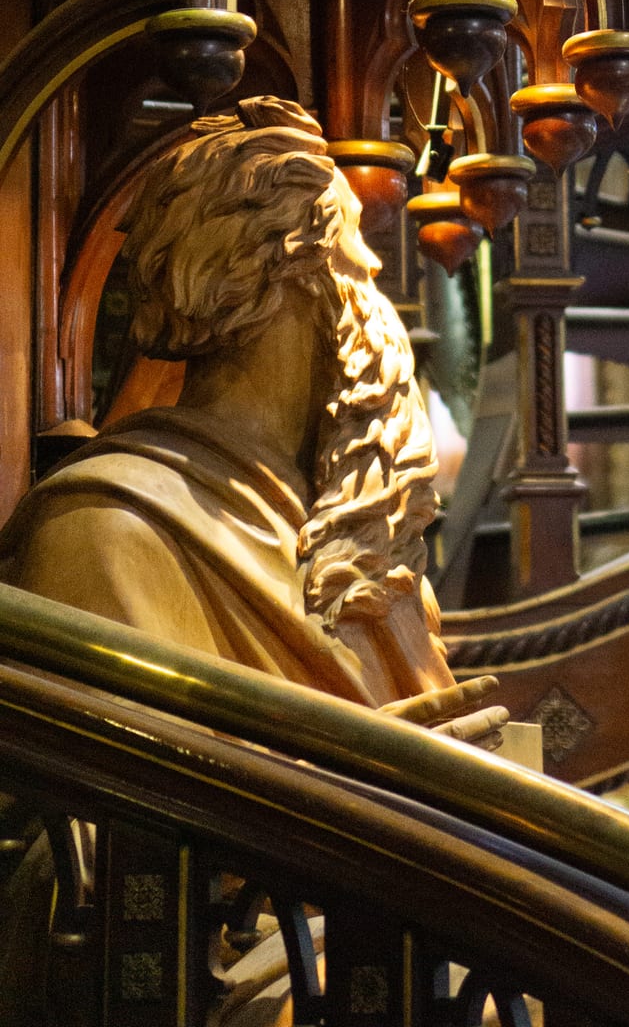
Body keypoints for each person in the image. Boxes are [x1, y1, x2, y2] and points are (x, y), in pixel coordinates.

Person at [0, 97, 496, 722]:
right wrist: (360, 765)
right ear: (289, 271)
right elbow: (128, 772)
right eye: (353, 256)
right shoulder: (104, 531)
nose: (371, 278)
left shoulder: (355, 541)